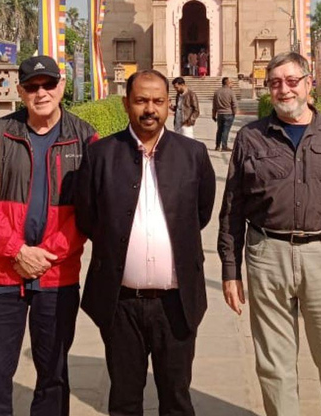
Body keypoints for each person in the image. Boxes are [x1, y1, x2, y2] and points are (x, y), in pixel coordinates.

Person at [218, 52, 321, 416]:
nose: (284, 89)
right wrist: (230, 270)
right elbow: (233, 208)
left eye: (292, 80)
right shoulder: (251, 138)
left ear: (309, 84)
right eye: (275, 82)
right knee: (273, 365)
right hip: (267, 255)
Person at [75, 69, 216, 415]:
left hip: (176, 303)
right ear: (126, 104)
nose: (149, 109)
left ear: (170, 105)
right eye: (141, 101)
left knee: (177, 398)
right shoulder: (101, 156)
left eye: (157, 101)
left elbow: (201, 213)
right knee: (123, 399)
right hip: (121, 303)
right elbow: (88, 218)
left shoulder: (193, 154)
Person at [0, 55, 98, 416]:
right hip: (1, 275)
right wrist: (16, 251)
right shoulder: (0, 133)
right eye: (31, 86)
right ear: (21, 91)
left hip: (56, 276)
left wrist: (46, 254)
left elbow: (89, 209)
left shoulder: (86, 137)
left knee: (53, 375)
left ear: (61, 86)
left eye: (48, 84)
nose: (41, 93)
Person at [212, 77, 237, 151]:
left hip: (220, 114)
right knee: (226, 130)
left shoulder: (217, 92)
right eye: (231, 82)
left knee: (219, 129)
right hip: (228, 113)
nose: (232, 84)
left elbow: (214, 105)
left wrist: (213, 114)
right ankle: (224, 146)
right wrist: (234, 113)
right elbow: (234, 104)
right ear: (228, 83)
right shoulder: (231, 92)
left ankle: (217, 146)